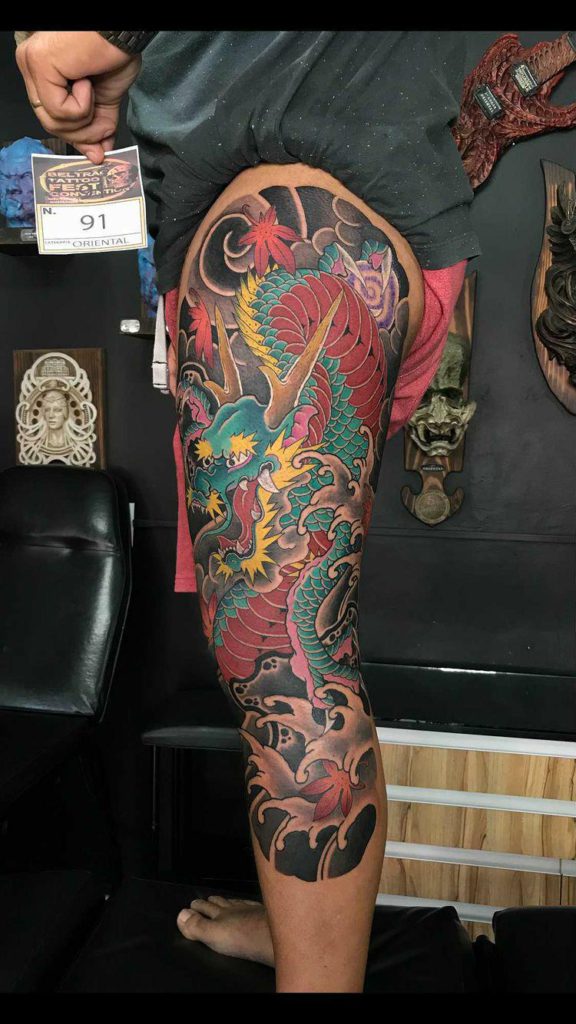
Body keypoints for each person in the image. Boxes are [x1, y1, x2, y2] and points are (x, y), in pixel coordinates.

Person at [14, 30, 479, 992]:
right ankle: (302, 928)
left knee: (290, 673)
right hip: (348, 216)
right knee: (279, 658)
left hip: (295, 217)